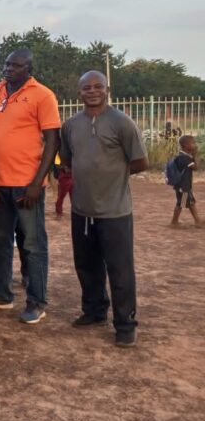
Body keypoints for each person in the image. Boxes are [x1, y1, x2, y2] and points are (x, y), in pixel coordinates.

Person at [61, 70, 148, 347]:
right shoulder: (71, 125)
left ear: (107, 90)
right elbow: (68, 160)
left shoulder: (122, 122)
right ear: (79, 93)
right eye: (87, 88)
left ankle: (125, 324)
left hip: (115, 211)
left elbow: (140, 162)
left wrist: (114, 176)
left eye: (98, 86)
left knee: (120, 269)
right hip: (82, 209)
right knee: (86, 265)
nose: (92, 91)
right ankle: (94, 310)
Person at [0, 49, 60, 324]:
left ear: (28, 69)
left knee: (33, 245)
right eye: (7, 64)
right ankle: (1, 295)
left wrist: (37, 182)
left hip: (26, 185)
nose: (9, 69)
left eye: (16, 65)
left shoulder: (43, 95)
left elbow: (52, 141)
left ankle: (37, 302)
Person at [170, 135, 201, 227]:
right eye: (193, 143)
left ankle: (176, 221)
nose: (195, 145)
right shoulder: (185, 158)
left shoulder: (182, 156)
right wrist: (194, 155)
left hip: (183, 186)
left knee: (185, 203)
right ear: (186, 145)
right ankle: (197, 221)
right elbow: (195, 167)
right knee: (186, 203)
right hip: (184, 186)